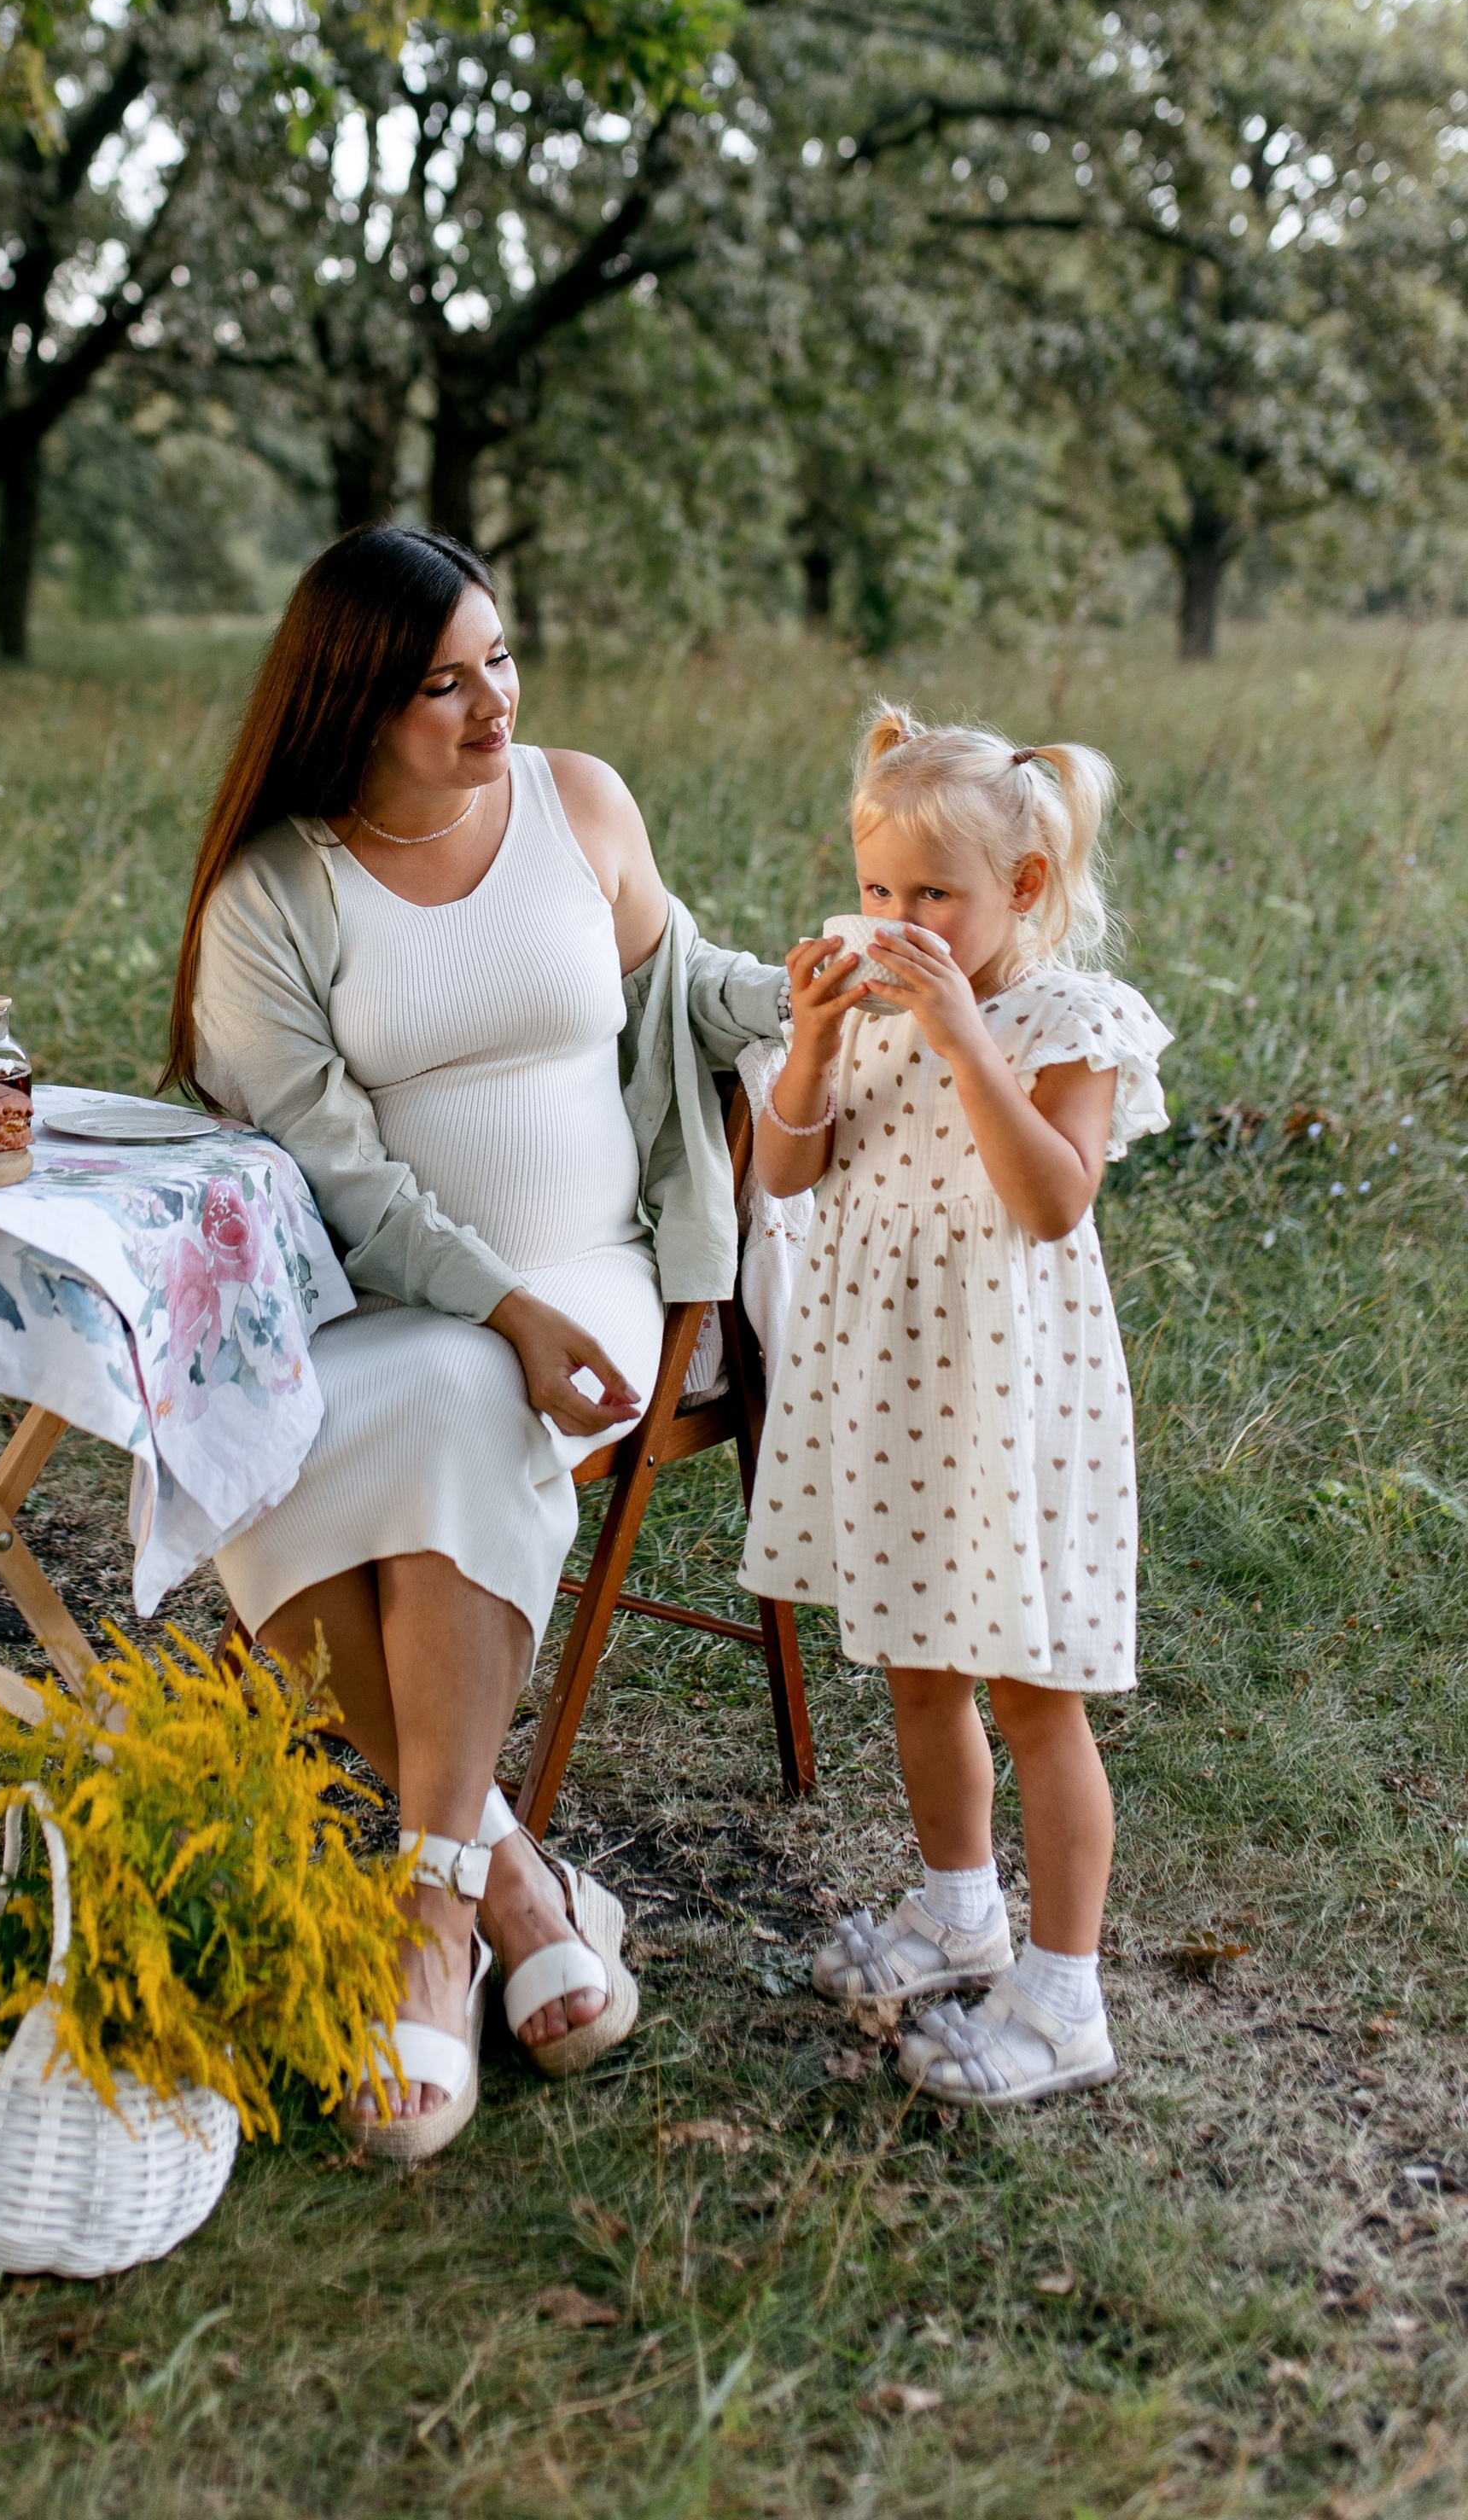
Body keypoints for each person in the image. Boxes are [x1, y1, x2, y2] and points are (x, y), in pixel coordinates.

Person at [167, 525, 783, 2163]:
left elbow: (675, 984)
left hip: (599, 1275)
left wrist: (802, 991)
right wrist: (488, 1299)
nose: (493, 705)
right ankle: (505, 1883)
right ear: (352, 705)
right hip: (377, 1292)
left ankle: (424, 1935)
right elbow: (332, 1167)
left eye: (501, 660)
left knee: (445, 1406)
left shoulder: (580, 803)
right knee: (384, 1403)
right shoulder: (273, 894)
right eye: (444, 685)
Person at [744, 705, 1170, 2104]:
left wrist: (961, 1033)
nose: (898, 917)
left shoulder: (1068, 1022)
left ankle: (1064, 1996)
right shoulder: (864, 1016)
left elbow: (1052, 1197)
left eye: (935, 895)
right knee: (919, 1664)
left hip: (1010, 1396)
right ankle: (956, 1905)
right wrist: (810, 1043)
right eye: (879, 891)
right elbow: (789, 1177)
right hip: (892, 1381)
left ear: (1023, 891)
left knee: (1038, 1699)